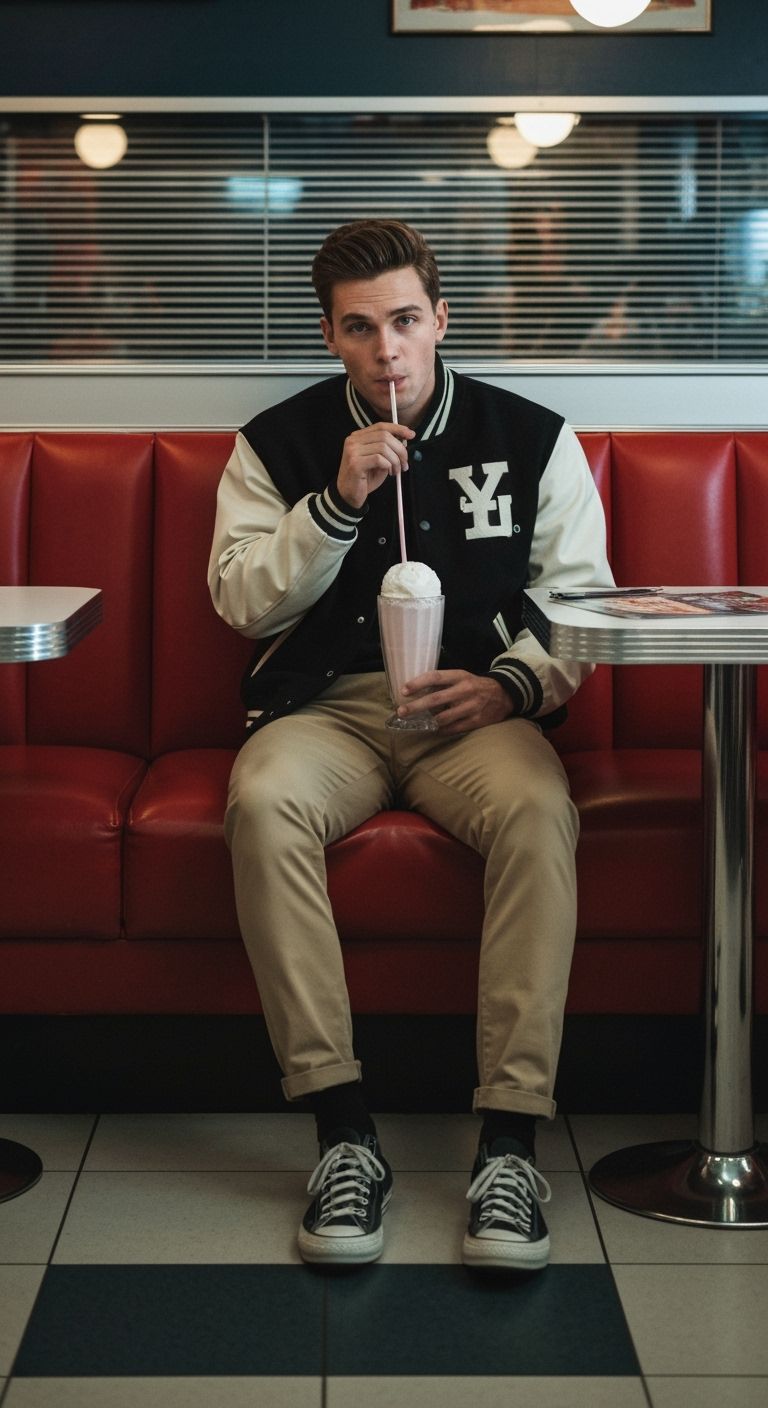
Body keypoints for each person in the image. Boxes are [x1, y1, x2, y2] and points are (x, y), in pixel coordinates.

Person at [208, 218, 613, 1271]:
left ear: (440, 319)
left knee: (536, 810)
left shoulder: (532, 436)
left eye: (403, 321)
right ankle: (342, 1131)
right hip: (329, 712)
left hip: (473, 712)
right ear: (331, 337)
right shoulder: (275, 444)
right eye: (358, 328)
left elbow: (584, 604)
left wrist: (511, 683)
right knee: (261, 802)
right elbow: (242, 602)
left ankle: (512, 1142)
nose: (386, 350)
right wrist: (335, 502)